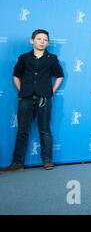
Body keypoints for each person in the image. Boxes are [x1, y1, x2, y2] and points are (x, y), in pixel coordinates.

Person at [3, 29, 64, 172]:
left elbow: (60, 75)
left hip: (44, 98)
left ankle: (47, 161)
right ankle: (17, 163)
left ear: (48, 43)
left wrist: (51, 91)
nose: (42, 41)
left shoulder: (52, 59)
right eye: (39, 39)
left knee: (45, 131)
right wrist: (21, 91)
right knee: (22, 131)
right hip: (26, 98)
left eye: (45, 40)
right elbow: (16, 75)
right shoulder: (24, 58)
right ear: (32, 41)